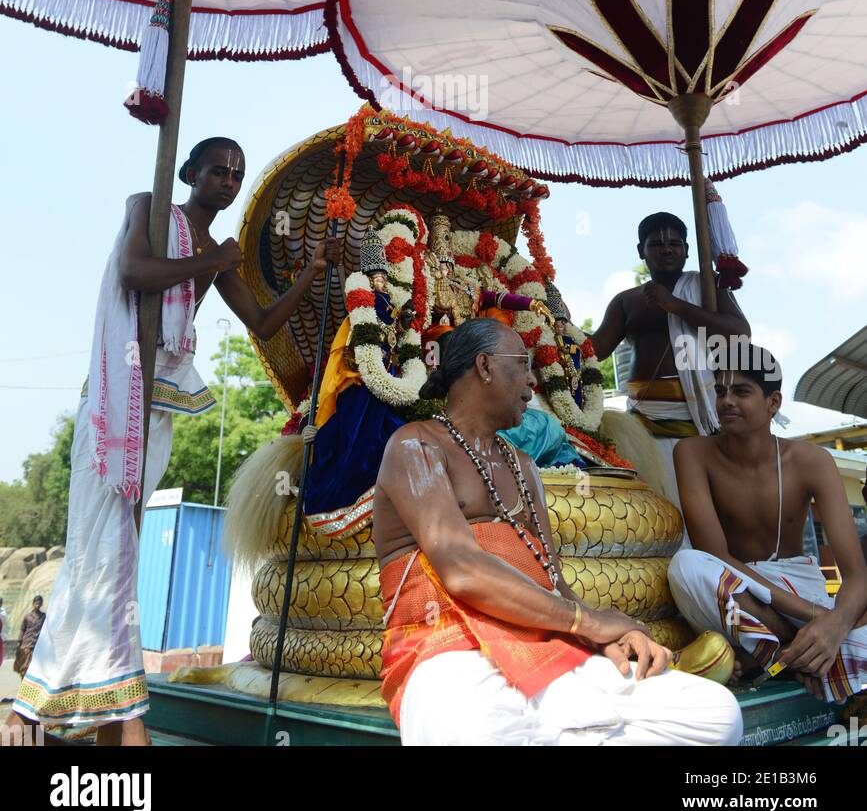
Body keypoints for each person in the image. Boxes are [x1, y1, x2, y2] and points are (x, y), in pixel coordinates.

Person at [10, 137, 338, 747]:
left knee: (115, 557)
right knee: (101, 554)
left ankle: (93, 711)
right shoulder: (151, 207)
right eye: (218, 170)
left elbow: (264, 323)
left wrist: (312, 273)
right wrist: (213, 265)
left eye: (237, 173)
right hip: (115, 401)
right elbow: (136, 272)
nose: (229, 181)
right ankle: (43, 707)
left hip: (158, 411)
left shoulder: (216, 248)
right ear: (188, 172)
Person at [372, 318, 743, 746]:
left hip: (548, 647)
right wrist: (590, 621)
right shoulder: (416, 444)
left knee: (715, 715)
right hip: (449, 650)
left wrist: (609, 637)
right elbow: (462, 570)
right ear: (485, 366)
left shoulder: (522, 466)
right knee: (473, 733)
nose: (533, 379)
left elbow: (553, 581)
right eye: (523, 363)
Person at [668, 353, 867, 701]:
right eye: (720, 391)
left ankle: (773, 656)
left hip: (797, 587)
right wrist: (816, 617)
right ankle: (803, 654)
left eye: (741, 391)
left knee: (854, 622)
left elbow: (856, 574)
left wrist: (834, 626)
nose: (726, 401)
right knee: (687, 566)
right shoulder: (691, 453)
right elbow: (715, 555)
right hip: (738, 591)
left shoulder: (812, 461)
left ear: (773, 402)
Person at [592, 212, 750, 505]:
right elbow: (595, 350)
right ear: (641, 250)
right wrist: (556, 328)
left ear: (687, 250)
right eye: (656, 244)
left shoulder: (707, 287)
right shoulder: (627, 300)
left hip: (699, 421)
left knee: (702, 507)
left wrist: (676, 306)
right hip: (642, 424)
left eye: (675, 243)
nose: (667, 249)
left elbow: (740, 334)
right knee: (652, 509)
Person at [13, 597, 46, 678]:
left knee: (33, 666)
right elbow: (22, 629)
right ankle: (23, 681)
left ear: (41, 604)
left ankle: (30, 684)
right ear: (33, 603)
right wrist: (19, 642)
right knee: (24, 666)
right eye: (36, 602)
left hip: (37, 645)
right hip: (26, 644)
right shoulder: (27, 616)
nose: (37, 604)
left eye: (39, 603)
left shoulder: (44, 616)